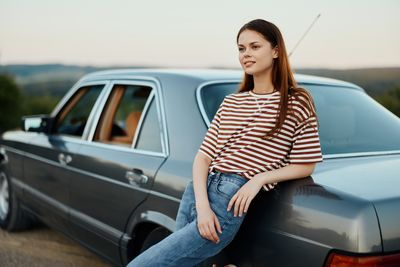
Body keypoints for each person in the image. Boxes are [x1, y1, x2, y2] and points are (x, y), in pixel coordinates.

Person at [126, 18, 323, 267]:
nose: (246, 54)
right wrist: (202, 206)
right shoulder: (232, 102)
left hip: (229, 196)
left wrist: (258, 180)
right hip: (197, 192)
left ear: (275, 50)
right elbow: (203, 157)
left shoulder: (296, 101)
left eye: (254, 46)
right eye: (241, 48)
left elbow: (306, 164)